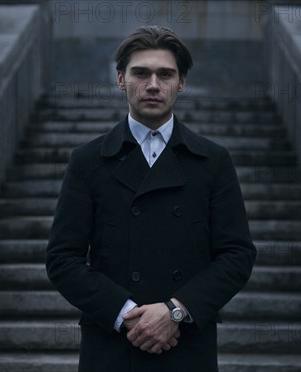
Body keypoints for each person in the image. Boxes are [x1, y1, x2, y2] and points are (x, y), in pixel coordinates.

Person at [45, 25, 256, 372]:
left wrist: (176, 310)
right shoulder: (88, 161)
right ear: (120, 79)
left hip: (186, 344)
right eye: (141, 73)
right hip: (113, 348)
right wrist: (127, 315)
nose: (153, 85)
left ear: (182, 82)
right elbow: (62, 259)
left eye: (165, 74)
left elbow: (237, 254)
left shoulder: (213, 161)